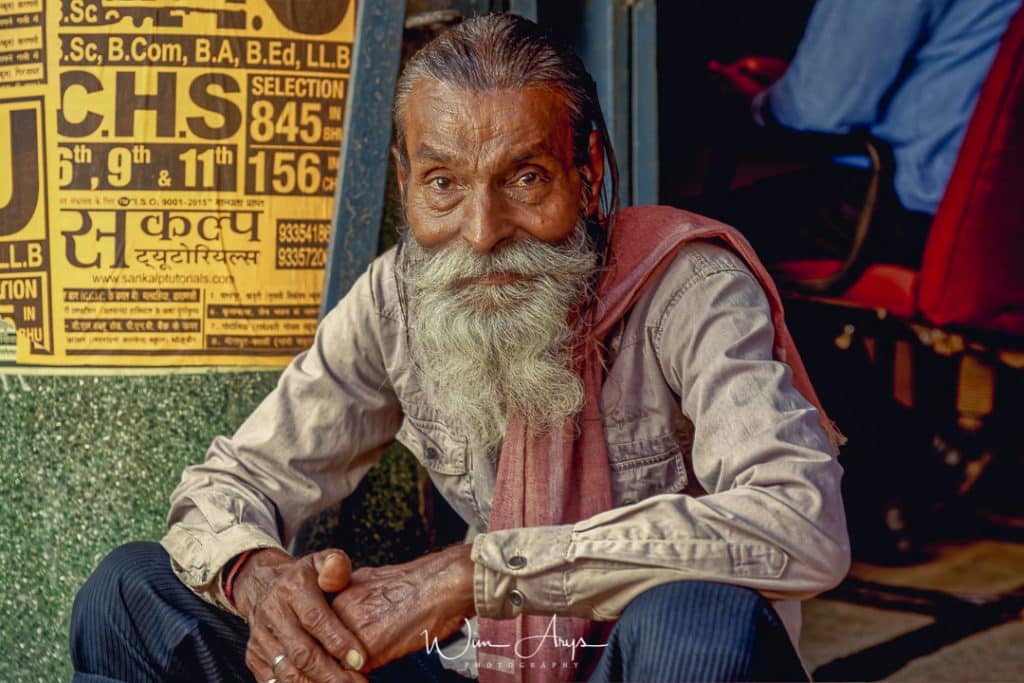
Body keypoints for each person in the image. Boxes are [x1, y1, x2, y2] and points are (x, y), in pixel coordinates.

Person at [70, 14, 849, 683]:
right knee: (130, 593)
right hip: (483, 665)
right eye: (444, 183)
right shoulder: (397, 297)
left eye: (527, 178)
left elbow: (800, 521)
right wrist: (263, 582)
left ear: (587, 173)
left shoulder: (689, 290)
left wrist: (471, 574)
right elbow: (230, 481)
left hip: (641, 665)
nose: (482, 232)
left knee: (698, 616)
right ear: (406, 184)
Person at [706, 0, 1021, 267]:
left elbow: (819, 109)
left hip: (906, 214)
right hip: (999, 221)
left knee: (684, 240)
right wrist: (793, 84)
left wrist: (759, 103)